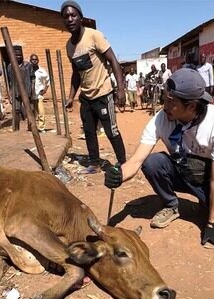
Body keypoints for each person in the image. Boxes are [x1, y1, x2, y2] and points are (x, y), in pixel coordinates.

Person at [103, 69, 214, 251]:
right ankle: (171, 205)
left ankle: (206, 203)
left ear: (191, 106)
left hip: (205, 181)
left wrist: (212, 226)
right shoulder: (162, 118)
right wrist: (119, 175)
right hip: (179, 172)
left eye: (170, 102)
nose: (164, 105)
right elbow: (136, 161)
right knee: (152, 162)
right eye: (164, 99)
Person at [62, 0, 127, 174]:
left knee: (111, 131)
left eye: (73, 15)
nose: (70, 19)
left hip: (104, 93)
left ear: (80, 17)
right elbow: (76, 74)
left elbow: (113, 60)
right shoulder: (69, 46)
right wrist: (71, 96)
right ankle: (95, 164)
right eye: (66, 16)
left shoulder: (93, 35)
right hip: (87, 97)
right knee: (89, 132)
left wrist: (120, 90)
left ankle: (123, 164)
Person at [6, 49, 35, 131]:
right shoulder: (10, 66)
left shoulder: (28, 65)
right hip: (16, 91)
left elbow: (33, 79)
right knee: (16, 110)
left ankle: (31, 128)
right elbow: (10, 81)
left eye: (20, 55)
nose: (18, 57)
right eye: (16, 55)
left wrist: (32, 91)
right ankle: (16, 128)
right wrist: (10, 93)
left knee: (29, 110)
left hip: (27, 91)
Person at [30, 54, 50, 132]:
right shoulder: (28, 70)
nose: (34, 61)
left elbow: (48, 80)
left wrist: (45, 90)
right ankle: (32, 127)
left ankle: (41, 127)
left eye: (35, 59)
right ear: (30, 61)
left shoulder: (42, 71)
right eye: (32, 59)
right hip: (30, 95)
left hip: (39, 95)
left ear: (38, 60)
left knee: (41, 112)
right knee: (32, 112)